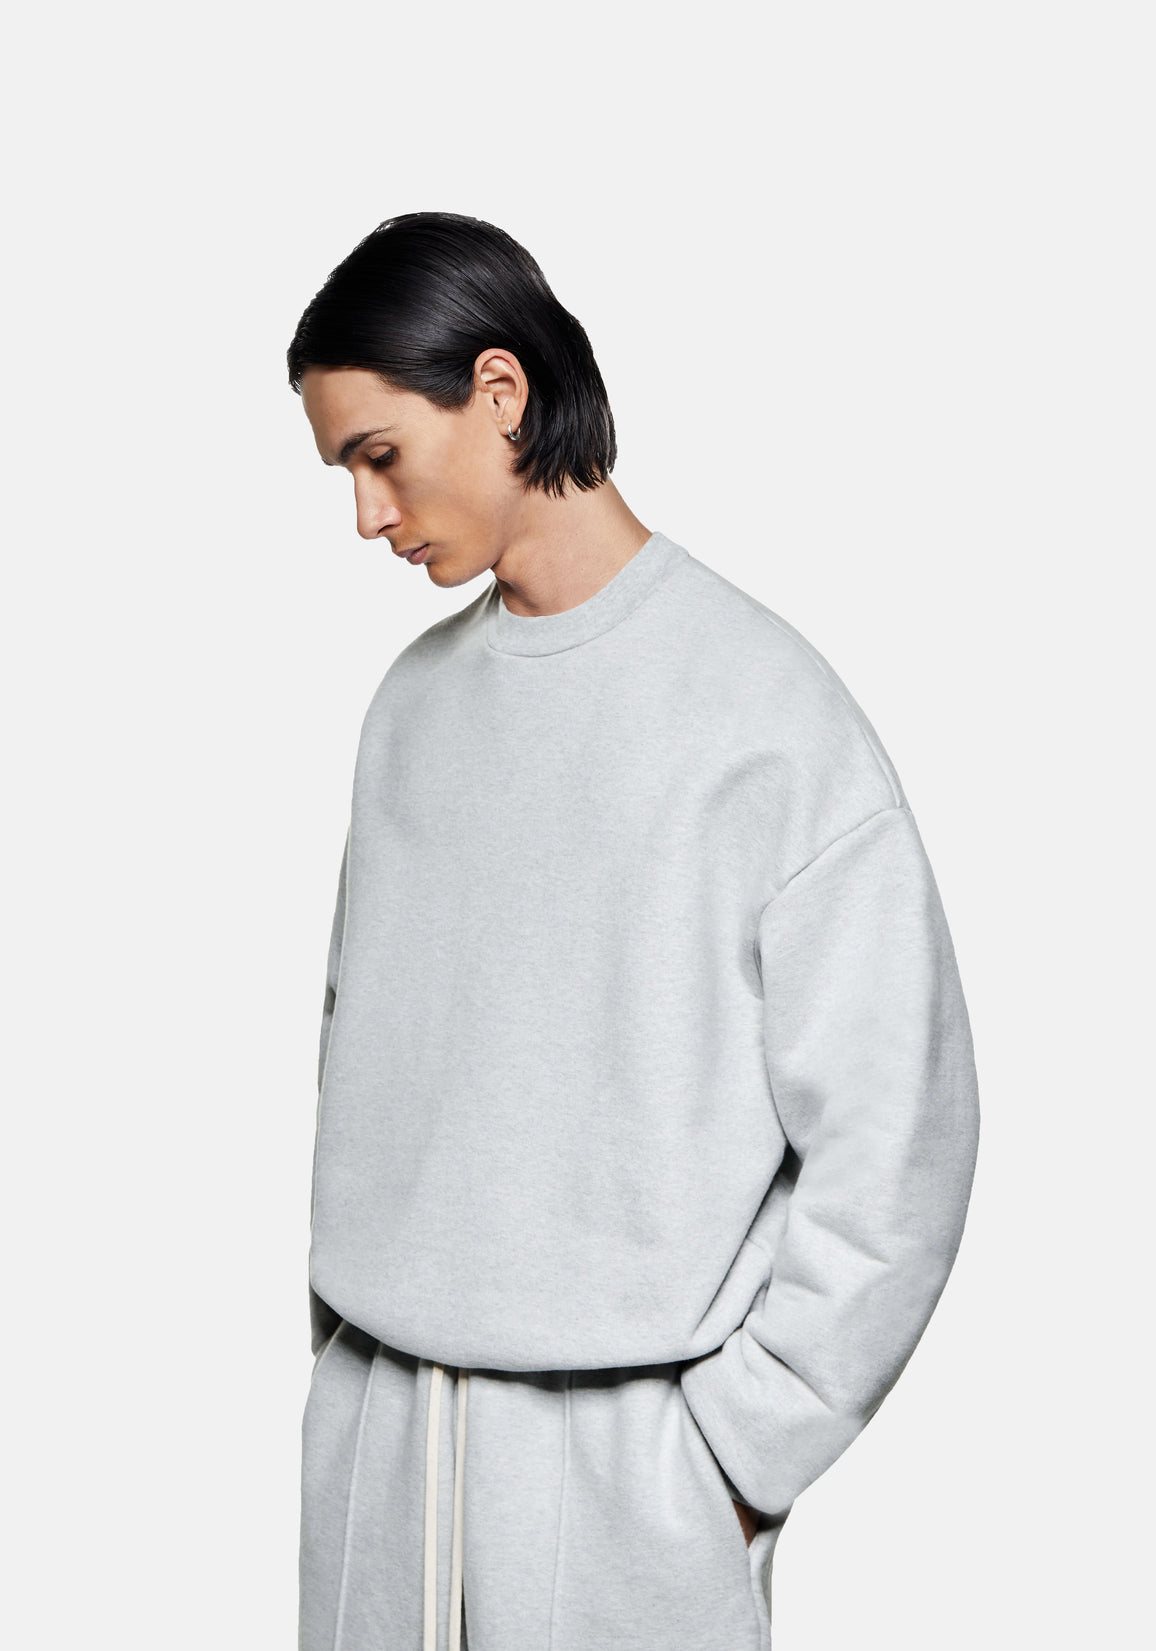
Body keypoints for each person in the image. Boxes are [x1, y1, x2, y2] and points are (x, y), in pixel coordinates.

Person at [286, 211, 981, 1651]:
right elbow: (362, 1065)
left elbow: (898, 1138)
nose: (365, 514)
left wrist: (735, 1456)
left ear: (498, 391)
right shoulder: (409, 710)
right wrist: (348, 1362)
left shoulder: (765, 717)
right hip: (381, 1463)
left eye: (379, 456)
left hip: (624, 1492)